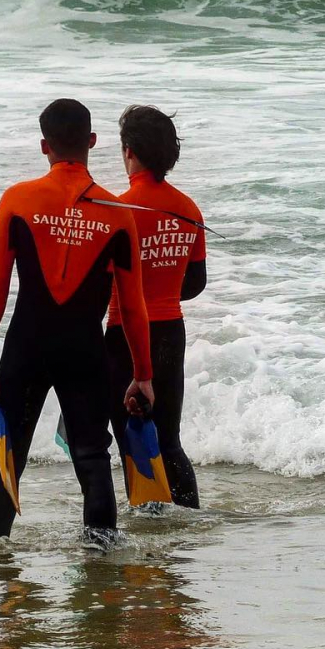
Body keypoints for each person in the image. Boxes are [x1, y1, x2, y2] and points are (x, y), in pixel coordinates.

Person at [0, 98, 154, 542]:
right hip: (83, 349)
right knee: (92, 459)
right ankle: (101, 566)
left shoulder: (16, 201)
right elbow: (132, 306)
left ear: (43, 146)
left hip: (26, 346)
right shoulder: (118, 213)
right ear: (92, 142)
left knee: (8, 456)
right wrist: (143, 376)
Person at [104, 106, 207, 508]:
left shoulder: (118, 209)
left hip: (124, 336)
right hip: (170, 332)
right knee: (169, 440)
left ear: (129, 151)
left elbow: (99, 286)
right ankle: (187, 520)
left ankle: (147, 523)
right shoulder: (189, 208)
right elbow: (195, 283)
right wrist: (160, 293)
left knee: (132, 438)